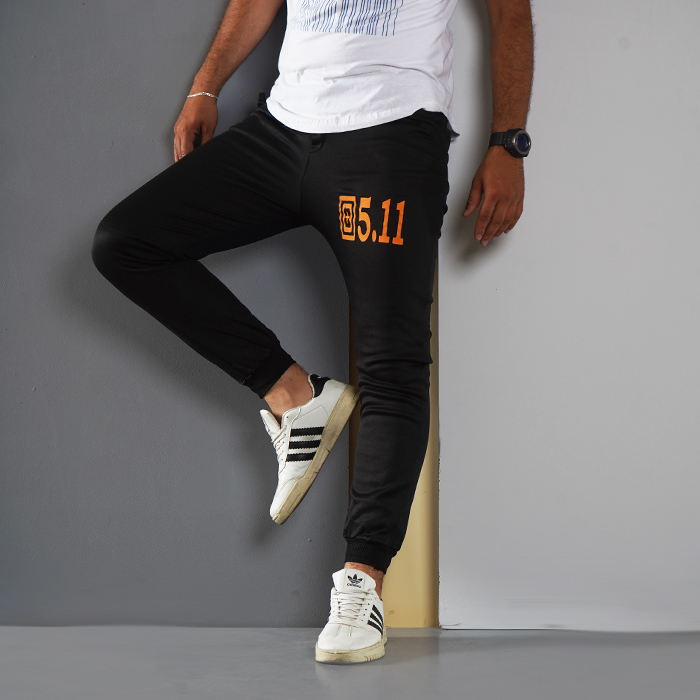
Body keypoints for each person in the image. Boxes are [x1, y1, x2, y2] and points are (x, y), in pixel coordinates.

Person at [91, 0, 533, 663]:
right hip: (281, 129)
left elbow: (510, 11)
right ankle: (297, 396)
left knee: (393, 362)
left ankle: (362, 584)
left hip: (389, 138)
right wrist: (205, 87)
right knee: (126, 242)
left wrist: (509, 142)